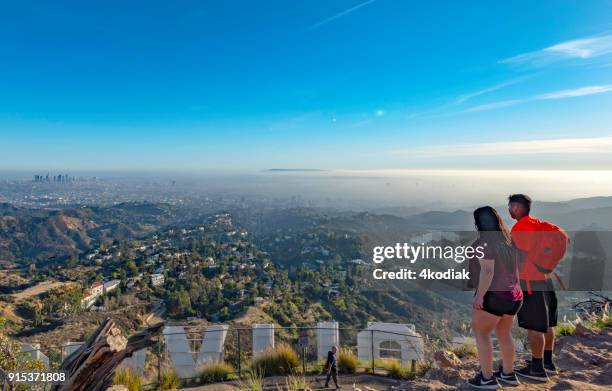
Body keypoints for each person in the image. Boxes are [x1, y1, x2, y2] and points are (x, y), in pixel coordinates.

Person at [468, 206, 523, 389]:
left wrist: (479, 297)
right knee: (504, 333)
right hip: (514, 295)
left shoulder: (483, 243)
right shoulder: (509, 240)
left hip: (494, 296)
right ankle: (508, 374)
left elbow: (488, 271)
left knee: (482, 333)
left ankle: (487, 378)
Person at [508, 194, 558, 382]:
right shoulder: (537, 224)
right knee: (548, 323)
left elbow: (515, 258)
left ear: (517, 208)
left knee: (534, 326)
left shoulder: (521, 228)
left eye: (511, 206)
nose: (509, 209)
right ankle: (547, 363)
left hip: (530, 283)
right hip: (546, 279)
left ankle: (537, 370)